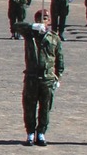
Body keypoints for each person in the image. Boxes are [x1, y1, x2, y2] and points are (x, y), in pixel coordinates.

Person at [17, 9, 65, 146]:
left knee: (45, 107)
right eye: (39, 19)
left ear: (49, 21)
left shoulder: (54, 38)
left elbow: (59, 59)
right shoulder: (30, 35)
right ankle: (30, 133)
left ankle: (42, 133)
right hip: (32, 77)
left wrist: (58, 77)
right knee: (29, 106)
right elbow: (16, 26)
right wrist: (33, 27)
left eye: (45, 18)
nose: (42, 21)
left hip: (47, 78)